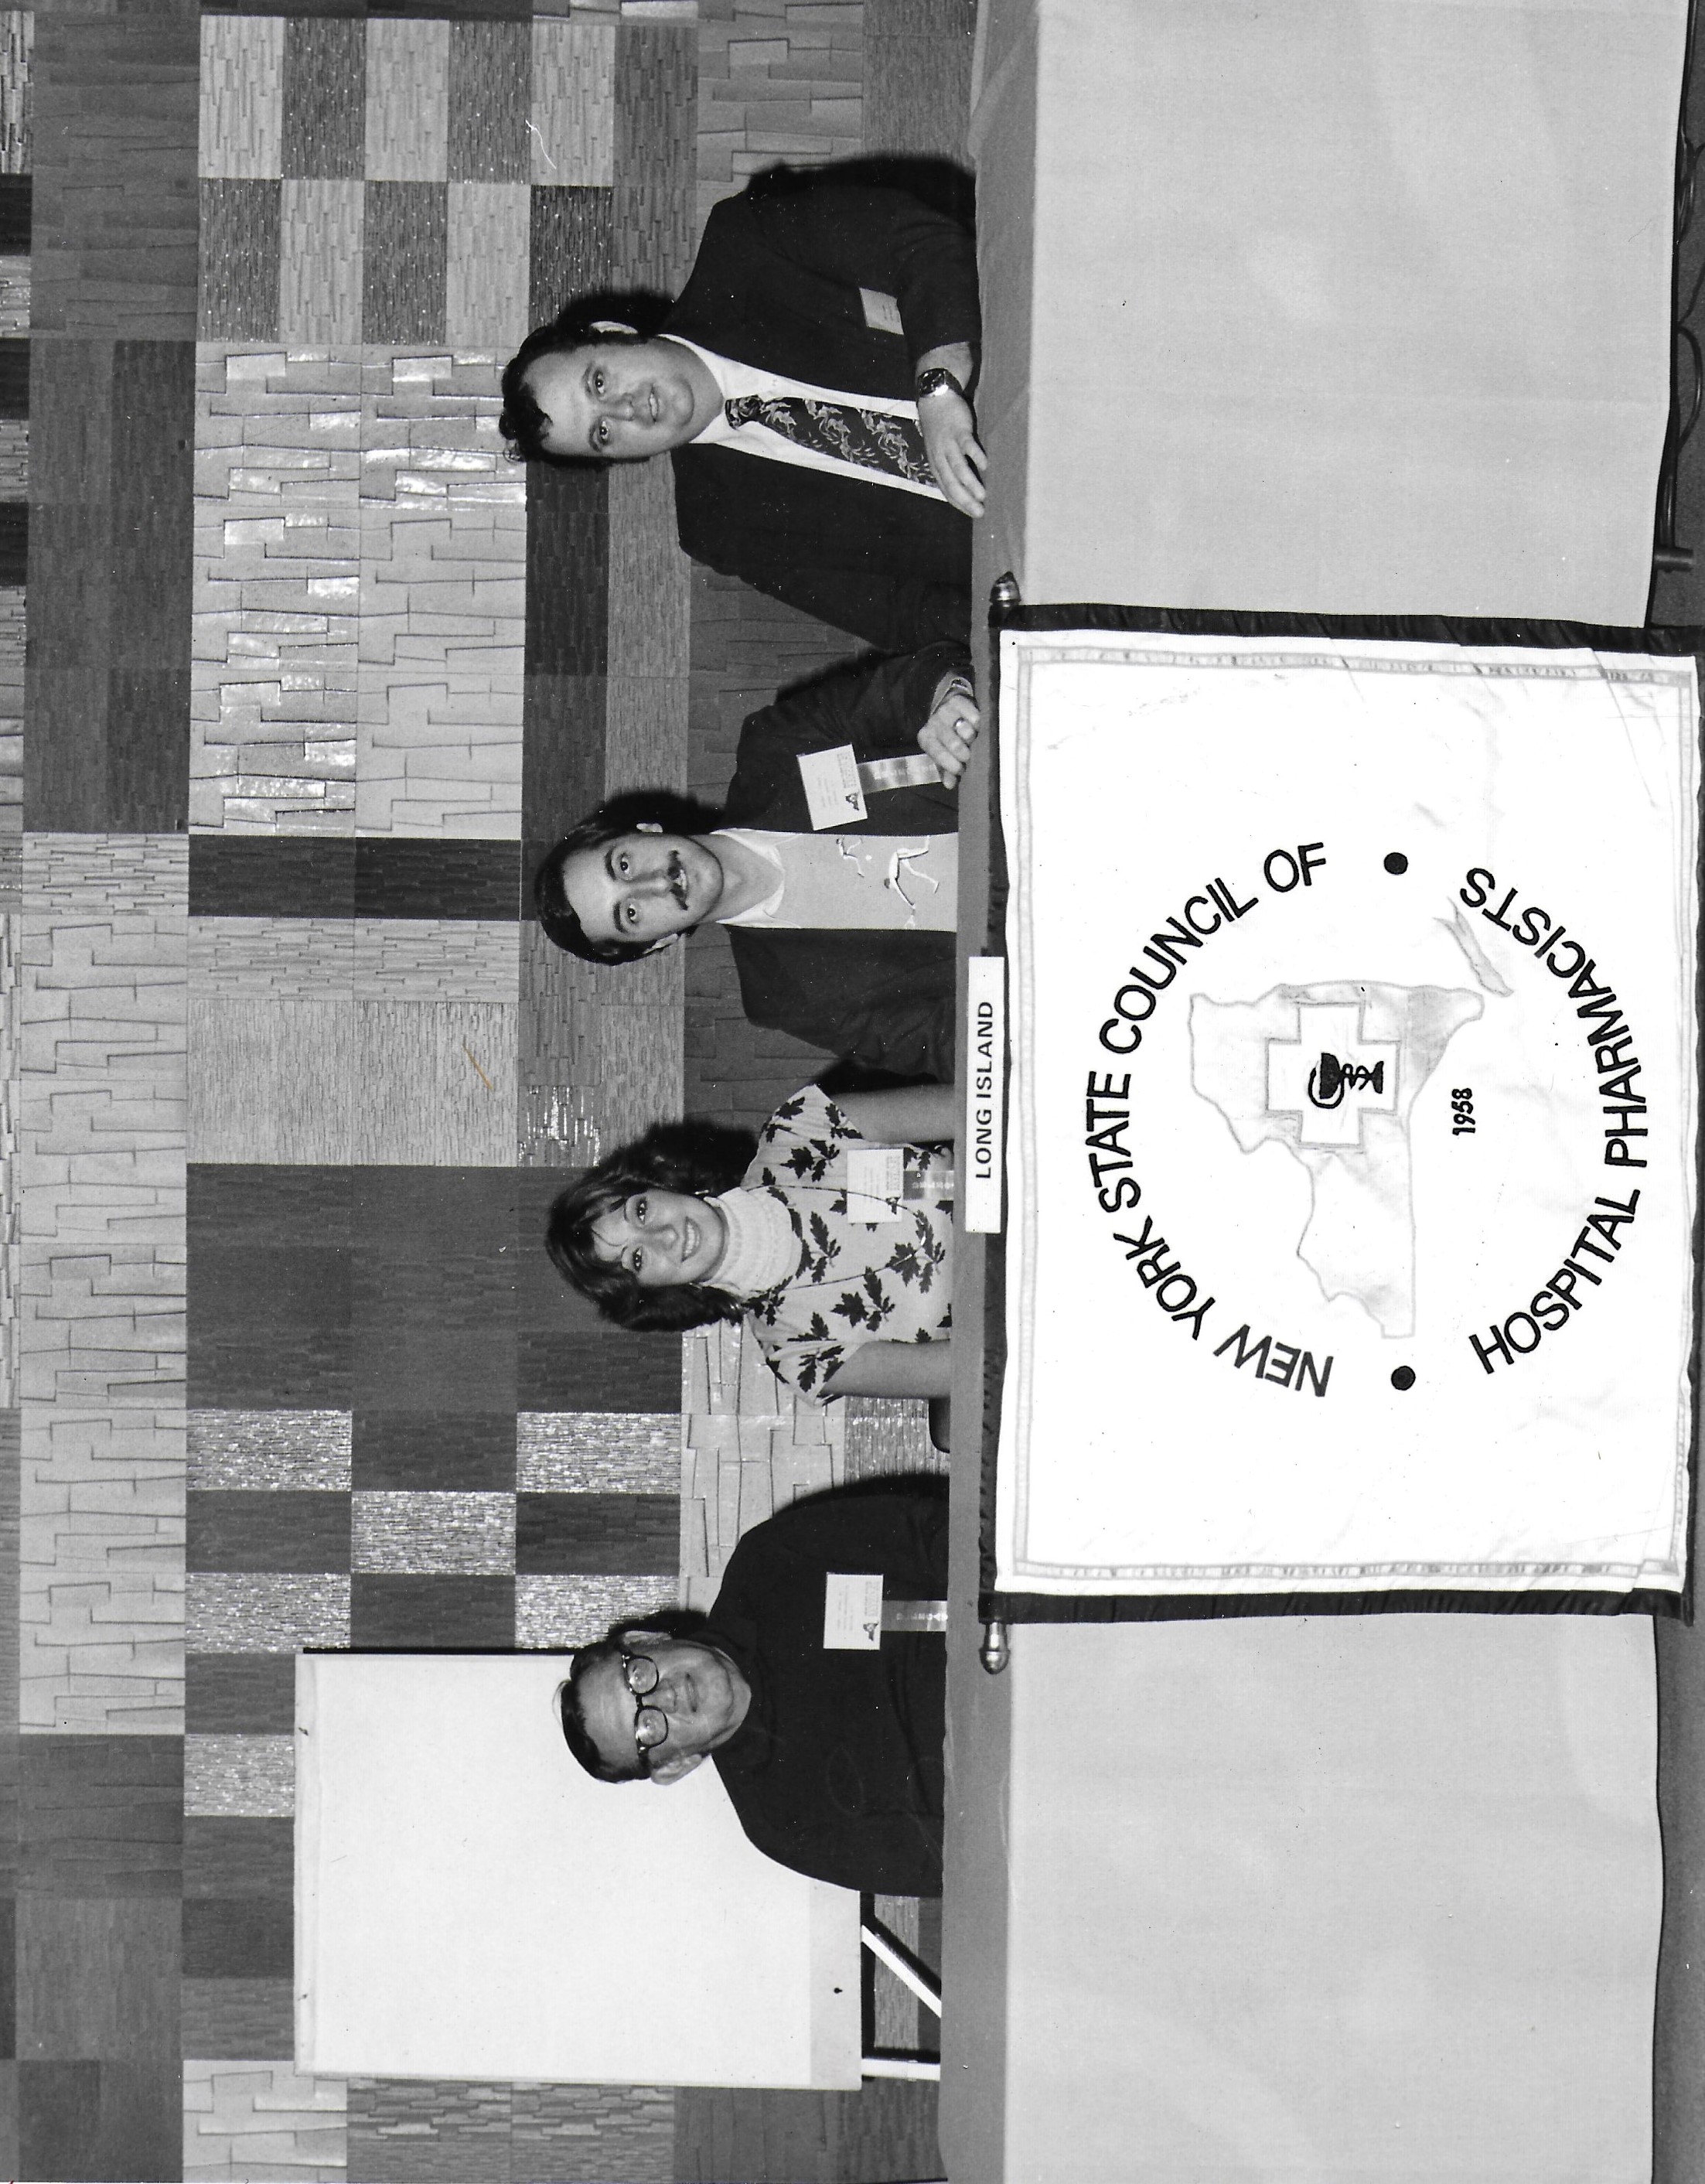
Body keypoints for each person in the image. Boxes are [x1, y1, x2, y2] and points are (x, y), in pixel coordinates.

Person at [500, 171, 984, 652]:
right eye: (601, 433)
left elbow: (921, 241)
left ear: (615, 333)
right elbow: (902, 613)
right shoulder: (717, 528)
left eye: (599, 383)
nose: (624, 410)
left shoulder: (744, 243)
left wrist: (938, 389)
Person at [533, 643, 977, 1081]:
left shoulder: (776, 748)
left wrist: (948, 700)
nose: (656, 884)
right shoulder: (787, 998)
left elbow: (917, 683)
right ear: (657, 943)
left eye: (624, 866)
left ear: (643, 830)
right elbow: (952, 1045)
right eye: (631, 913)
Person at [558, 1482, 948, 1894]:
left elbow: (937, 1533)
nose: (664, 1697)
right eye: (647, 1728)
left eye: (637, 1676)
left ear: (644, 1639)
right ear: (674, 1766)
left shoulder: (768, 1562)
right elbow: (953, 1860)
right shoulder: (782, 1822)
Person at [547, 1080, 957, 1402]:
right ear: (653, 1292)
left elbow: (974, 1107)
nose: (666, 1236)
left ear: (659, 1183)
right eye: (637, 1258)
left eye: (640, 1212)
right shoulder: (798, 1354)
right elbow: (971, 1370)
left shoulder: (801, 1128)